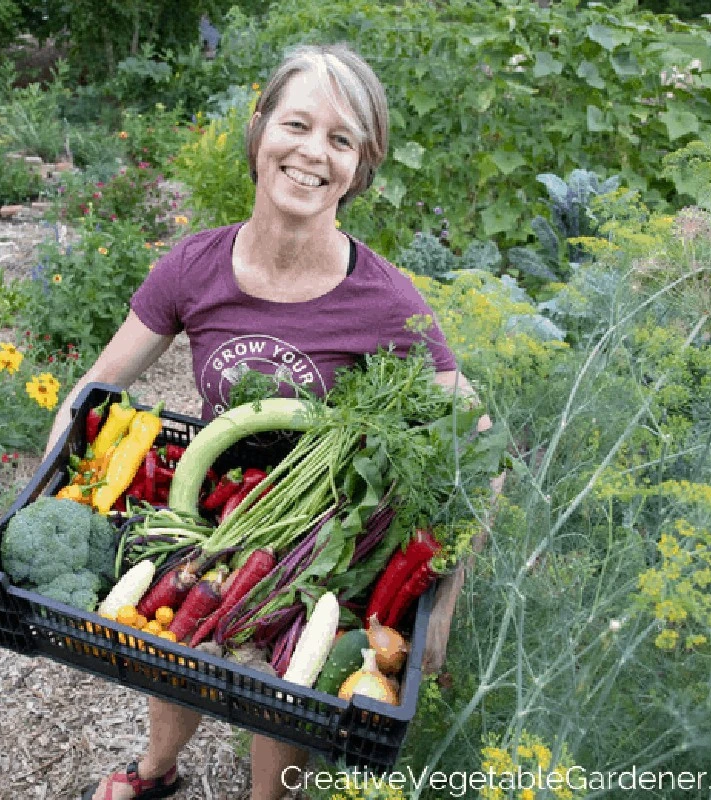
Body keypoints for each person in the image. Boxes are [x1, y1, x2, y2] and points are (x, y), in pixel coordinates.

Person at [46, 42, 488, 800]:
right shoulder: (194, 266)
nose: (314, 152)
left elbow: (473, 430)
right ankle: (157, 772)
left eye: (341, 139)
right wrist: (49, 481)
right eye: (298, 124)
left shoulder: (384, 299)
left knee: (285, 691)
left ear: (361, 166)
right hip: (213, 502)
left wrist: (449, 593)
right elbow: (98, 383)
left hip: (317, 532)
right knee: (173, 651)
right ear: (259, 131)